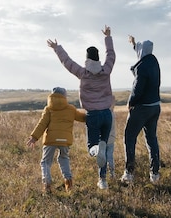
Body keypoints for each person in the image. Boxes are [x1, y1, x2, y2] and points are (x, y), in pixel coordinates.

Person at [47, 25, 116, 189]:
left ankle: (97, 155)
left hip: (92, 115)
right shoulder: (106, 70)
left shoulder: (82, 73)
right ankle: (103, 180)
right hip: (107, 114)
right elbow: (111, 55)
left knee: (94, 147)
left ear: (86, 59)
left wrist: (57, 48)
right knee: (104, 149)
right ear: (98, 58)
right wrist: (107, 37)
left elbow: (67, 62)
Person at [26, 87, 87, 193]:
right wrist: (95, 114)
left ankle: (47, 184)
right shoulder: (71, 109)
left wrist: (34, 137)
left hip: (51, 140)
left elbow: (42, 124)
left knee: (46, 162)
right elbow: (83, 118)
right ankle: (68, 183)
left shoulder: (48, 109)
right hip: (65, 140)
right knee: (64, 159)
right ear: (64, 96)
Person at [120, 35, 161, 185]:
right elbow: (141, 52)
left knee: (129, 137)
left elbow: (138, 88)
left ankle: (129, 173)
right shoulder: (154, 62)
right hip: (155, 107)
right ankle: (155, 173)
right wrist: (133, 43)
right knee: (151, 139)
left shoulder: (142, 66)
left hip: (142, 108)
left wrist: (131, 102)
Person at [97, 99, 117, 189]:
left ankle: (103, 179)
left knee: (102, 158)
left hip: (103, 140)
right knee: (110, 157)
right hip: (111, 139)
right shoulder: (112, 114)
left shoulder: (102, 115)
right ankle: (112, 173)